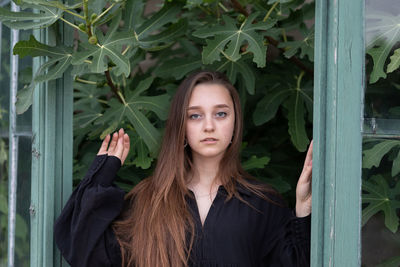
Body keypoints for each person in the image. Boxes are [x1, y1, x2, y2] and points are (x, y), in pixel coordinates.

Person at [54, 70, 313, 267]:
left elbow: (295, 261)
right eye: (195, 115)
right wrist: (100, 176)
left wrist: (303, 208)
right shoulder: (147, 202)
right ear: (181, 127)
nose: (209, 126)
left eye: (221, 114)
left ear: (235, 124)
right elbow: (84, 252)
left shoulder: (262, 204)